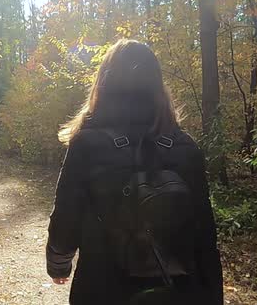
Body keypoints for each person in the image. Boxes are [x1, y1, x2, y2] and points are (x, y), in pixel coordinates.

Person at [45, 39, 223, 305]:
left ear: (104, 84)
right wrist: (211, 293)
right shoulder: (185, 147)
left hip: (101, 288)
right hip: (176, 291)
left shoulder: (87, 144)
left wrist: (59, 264)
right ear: (157, 86)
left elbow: (66, 215)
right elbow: (204, 233)